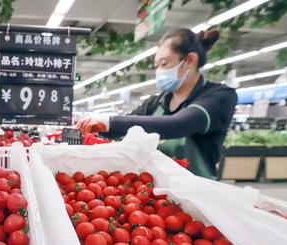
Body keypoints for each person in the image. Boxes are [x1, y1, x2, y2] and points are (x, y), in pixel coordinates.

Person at [99, 28, 237, 178]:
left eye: (164, 64)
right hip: (155, 194)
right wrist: (95, 128)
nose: (159, 71)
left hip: (196, 194)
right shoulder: (156, 103)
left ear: (190, 60)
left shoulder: (219, 96)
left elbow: (179, 124)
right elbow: (123, 131)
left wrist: (108, 122)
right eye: (157, 65)